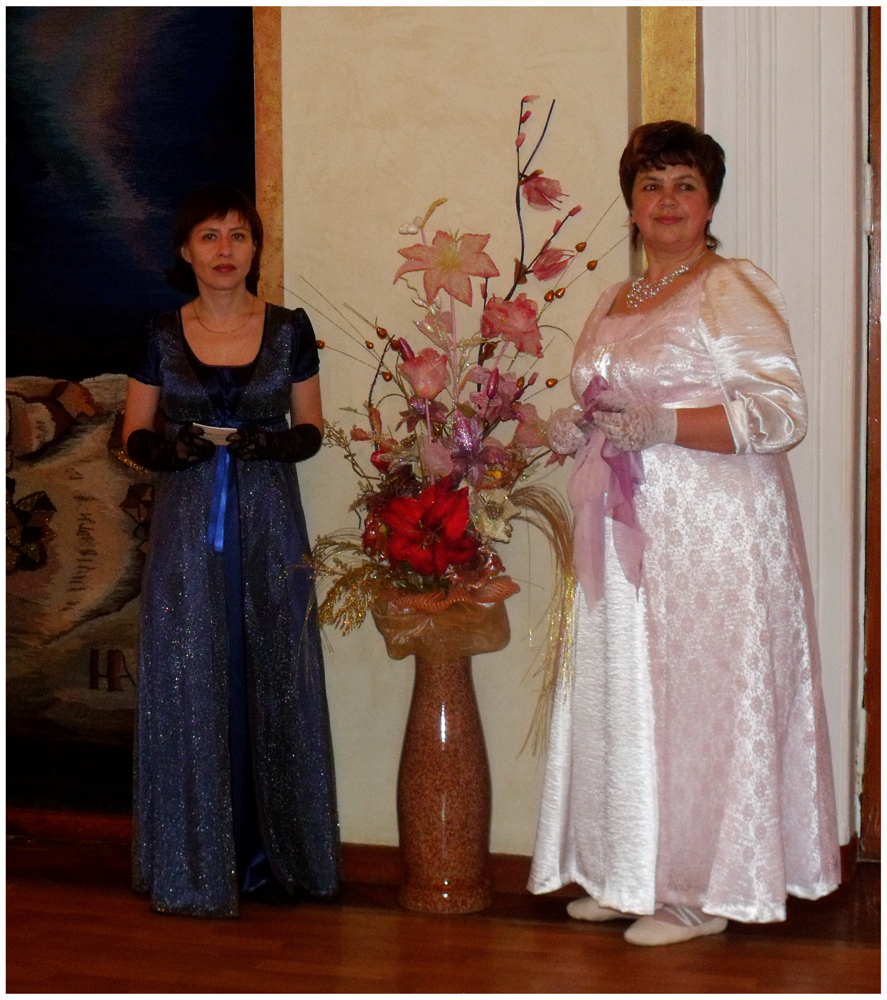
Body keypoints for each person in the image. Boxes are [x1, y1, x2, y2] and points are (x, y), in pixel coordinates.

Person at [530, 122, 840, 946]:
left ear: (708, 203)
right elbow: (609, 399)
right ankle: (630, 870)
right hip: (625, 527)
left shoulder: (728, 286)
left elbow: (780, 414)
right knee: (628, 696)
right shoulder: (611, 297)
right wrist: (576, 426)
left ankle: (700, 891)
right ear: (630, 204)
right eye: (650, 185)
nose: (666, 201)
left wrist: (665, 425)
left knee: (703, 701)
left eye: (684, 185)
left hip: (718, 533)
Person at [123, 184, 339, 917]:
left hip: (271, 519)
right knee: (190, 672)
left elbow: (312, 427)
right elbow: (133, 434)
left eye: (238, 235)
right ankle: (194, 862)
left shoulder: (289, 329)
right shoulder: (158, 333)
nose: (224, 250)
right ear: (186, 252)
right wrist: (170, 450)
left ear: (255, 248)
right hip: (187, 526)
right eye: (209, 236)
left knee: (277, 667)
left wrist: (270, 443)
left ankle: (285, 855)